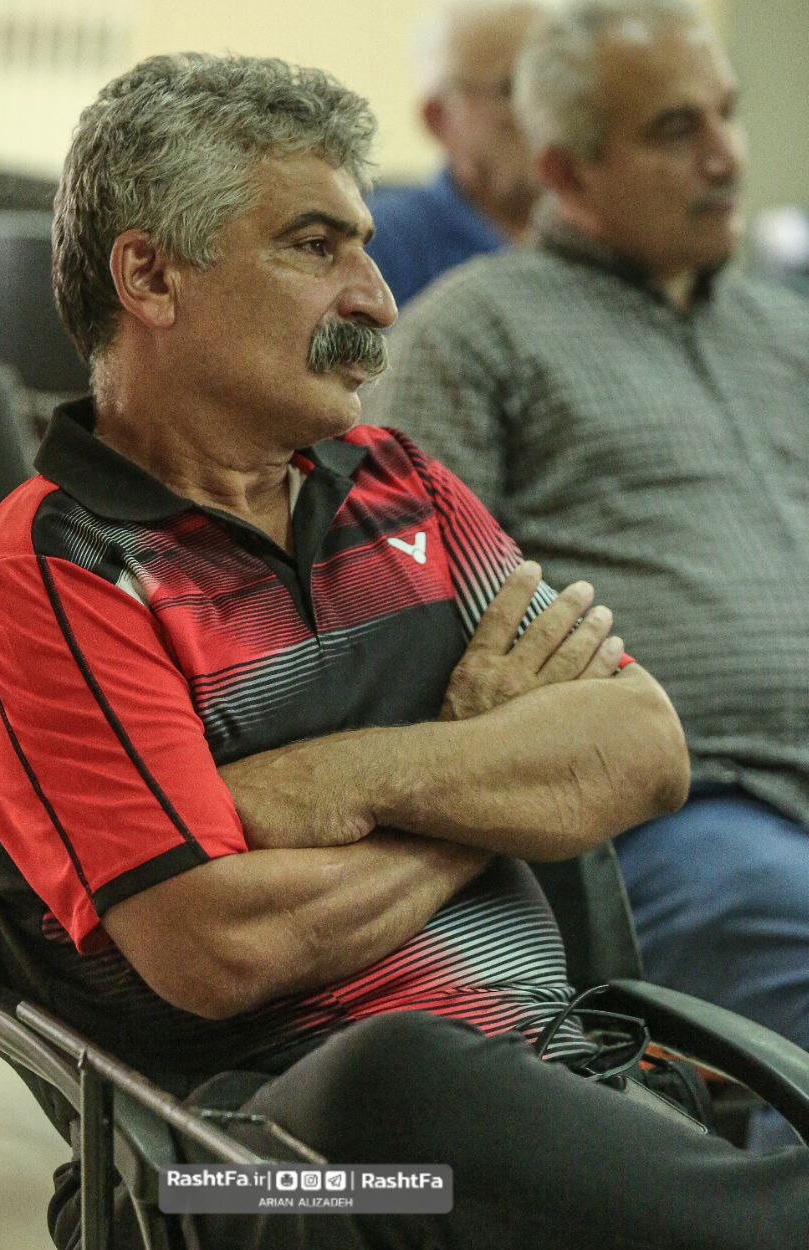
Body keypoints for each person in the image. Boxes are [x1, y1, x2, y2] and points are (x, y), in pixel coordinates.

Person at [0, 52, 809, 1250]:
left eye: (364, 245)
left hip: (568, 1100)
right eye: (314, 246)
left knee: (513, 1133)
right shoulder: (59, 562)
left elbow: (641, 747)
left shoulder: (406, 488)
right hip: (228, 1171)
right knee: (394, 1080)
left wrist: (344, 777)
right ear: (150, 276)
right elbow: (217, 950)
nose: (380, 300)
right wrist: (484, 790)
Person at [364, 0, 809, 1148]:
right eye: (673, 129)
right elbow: (404, 629)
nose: (725, 155)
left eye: (724, 114)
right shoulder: (475, 331)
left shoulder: (787, 337)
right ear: (565, 168)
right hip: (677, 811)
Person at [367, 0, 547, 307]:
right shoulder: (379, 245)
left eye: (556, 86)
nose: (546, 113)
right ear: (438, 118)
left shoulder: (610, 237)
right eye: (514, 88)